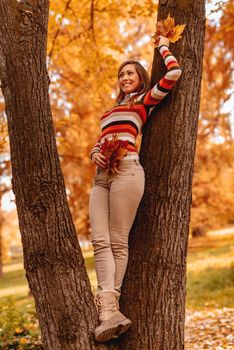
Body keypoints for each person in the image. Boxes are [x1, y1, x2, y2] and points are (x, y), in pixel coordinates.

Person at [89, 35, 182, 342]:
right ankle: (110, 310)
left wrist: (163, 45)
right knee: (98, 240)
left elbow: (173, 74)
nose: (124, 77)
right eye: (121, 74)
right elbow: (100, 140)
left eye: (130, 73)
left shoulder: (143, 103)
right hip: (102, 175)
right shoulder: (109, 111)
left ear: (140, 78)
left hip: (128, 171)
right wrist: (93, 153)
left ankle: (107, 311)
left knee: (117, 240)